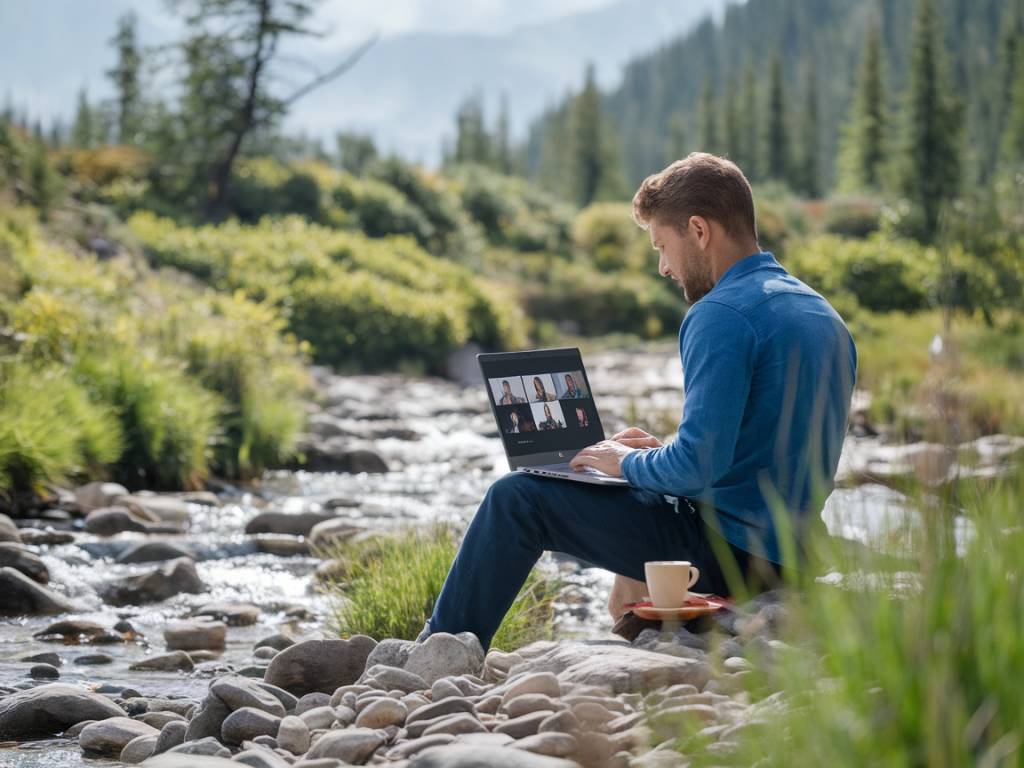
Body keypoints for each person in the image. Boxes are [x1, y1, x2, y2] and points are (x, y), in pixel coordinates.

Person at [418, 153, 857, 652]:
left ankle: (439, 653)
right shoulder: (822, 314)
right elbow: (762, 449)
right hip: (794, 555)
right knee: (623, 524)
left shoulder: (720, 315)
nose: (663, 267)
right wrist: (651, 457)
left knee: (517, 498)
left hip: (730, 552)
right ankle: (640, 641)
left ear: (698, 230)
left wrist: (627, 463)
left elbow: (697, 467)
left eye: (662, 246)